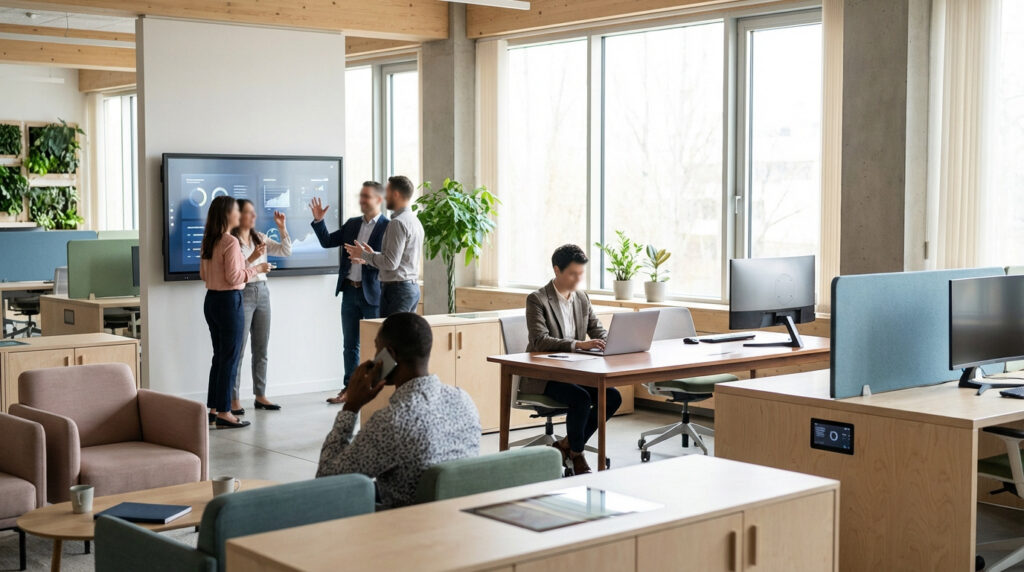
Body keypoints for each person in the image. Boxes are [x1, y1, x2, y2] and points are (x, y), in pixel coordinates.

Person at [316, 312, 480, 509]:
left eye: (378, 350)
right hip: (455, 518)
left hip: (404, 527)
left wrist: (351, 407)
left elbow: (326, 481)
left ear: (390, 355)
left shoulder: (391, 422)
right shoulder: (463, 400)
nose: (375, 358)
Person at [523, 244, 621, 475]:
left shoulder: (582, 298)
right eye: (572, 274)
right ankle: (577, 455)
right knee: (580, 397)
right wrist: (578, 344)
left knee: (612, 396)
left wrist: (610, 342)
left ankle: (565, 445)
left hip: (575, 371)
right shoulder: (537, 300)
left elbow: (597, 329)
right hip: (545, 374)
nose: (578, 279)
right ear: (557, 270)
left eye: (581, 274)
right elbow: (539, 340)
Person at [309, 183, 390, 405]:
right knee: (350, 344)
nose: (362, 200)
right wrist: (319, 221)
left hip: (373, 294)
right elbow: (327, 242)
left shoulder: (388, 227)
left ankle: (374, 389)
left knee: (377, 344)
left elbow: (391, 263)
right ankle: (350, 389)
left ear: (379, 200)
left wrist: (367, 259)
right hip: (350, 291)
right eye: (361, 195)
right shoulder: (353, 224)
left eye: (367, 196)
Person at [199, 195, 270, 429]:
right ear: (227, 214)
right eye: (235, 211)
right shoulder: (230, 241)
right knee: (229, 358)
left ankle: (213, 409)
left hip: (212, 301)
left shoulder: (210, 240)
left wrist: (248, 261)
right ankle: (225, 412)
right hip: (230, 301)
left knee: (219, 358)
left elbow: (205, 275)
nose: (239, 214)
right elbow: (235, 277)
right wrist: (258, 268)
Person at [230, 198, 291, 414]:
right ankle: (233, 399)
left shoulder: (261, 237)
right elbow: (234, 272)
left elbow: (285, 251)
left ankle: (260, 395)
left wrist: (282, 229)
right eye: (249, 212)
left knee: (261, 348)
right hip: (243, 292)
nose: (254, 216)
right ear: (238, 216)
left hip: (263, 292)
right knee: (238, 350)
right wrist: (255, 258)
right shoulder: (232, 241)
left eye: (254, 212)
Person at [344, 175, 423, 317]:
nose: (385, 197)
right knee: (404, 338)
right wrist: (372, 255)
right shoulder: (415, 221)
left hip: (397, 291)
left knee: (391, 338)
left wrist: (363, 255)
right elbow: (399, 259)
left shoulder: (397, 223)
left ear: (396, 194)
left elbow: (391, 263)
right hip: (411, 288)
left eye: (387, 192)